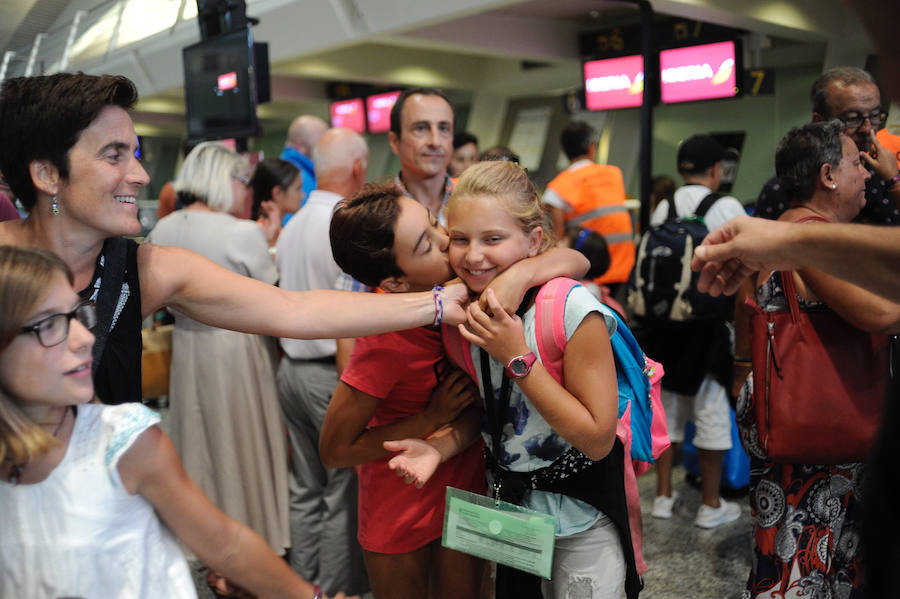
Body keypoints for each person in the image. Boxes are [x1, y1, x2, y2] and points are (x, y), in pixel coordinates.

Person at [0, 72, 469, 410]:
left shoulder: (145, 268)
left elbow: (295, 310)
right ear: (45, 173)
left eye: (136, 154)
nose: (140, 175)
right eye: (114, 156)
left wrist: (438, 303)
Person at [0, 245, 350, 599]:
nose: (84, 338)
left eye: (78, 316)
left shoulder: (119, 441)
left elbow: (226, 543)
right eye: (50, 325)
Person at [322, 181, 589, 598]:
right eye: (426, 246)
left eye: (435, 223)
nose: (447, 243)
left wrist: (521, 272)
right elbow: (334, 449)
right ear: (393, 283)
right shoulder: (386, 340)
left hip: (470, 486)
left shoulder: (471, 290)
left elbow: (575, 259)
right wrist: (428, 419)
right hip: (401, 502)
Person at [390, 161, 634, 598]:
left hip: (584, 513)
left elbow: (597, 440)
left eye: (493, 239)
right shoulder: (462, 320)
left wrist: (516, 356)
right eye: (460, 239)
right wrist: (438, 446)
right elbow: (491, 411)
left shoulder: (569, 309)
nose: (474, 255)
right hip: (512, 509)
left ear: (533, 240)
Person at [737, 121, 900, 598]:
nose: (866, 173)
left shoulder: (785, 229)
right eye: (856, 164)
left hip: (803, 413)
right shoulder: (807, 236)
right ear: (828, 175)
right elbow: (876, 314)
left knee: (806, 555)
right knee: (803, 561)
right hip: (818, 422)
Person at [145, 141, 290, 581]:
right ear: (224, 180)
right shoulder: (240, 232)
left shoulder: (165, 228)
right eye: (243, 180)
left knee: (197, 444)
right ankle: (251, 536)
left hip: (188, 348)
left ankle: (200, 536)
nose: (247, 189)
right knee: (243, 442)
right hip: (237, 350)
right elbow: (273, 297)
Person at [275, 127, 371, 596]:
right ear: (358, 168)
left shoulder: (293, 222)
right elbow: (347, 314)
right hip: (328, 374)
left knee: (305, 489)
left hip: (289, 371)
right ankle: (333, 590)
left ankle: (302, 583)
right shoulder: (341, 222)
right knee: (340, 493)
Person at [645, 134, 746, 529]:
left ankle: (664, 497)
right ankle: (710, 504)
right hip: (707, 325)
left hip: (663, 326)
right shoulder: (726, 207)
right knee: (711, 411)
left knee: (666, 410)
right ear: (716, 170)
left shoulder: (663, 207)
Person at [755, 67, 900, 224]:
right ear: (819, 121)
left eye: (874, 116)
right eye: (852, 118)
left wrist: (895, 182)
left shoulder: (890, 177)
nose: (867, 129)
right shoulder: (781, 190)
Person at [542, 121, 634, 292]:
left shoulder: (557, 189)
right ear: (591, 147)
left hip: (587, 272)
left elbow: (556, 238)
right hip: (624, 266)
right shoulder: (614, 174)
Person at [389, 87, 455, 224]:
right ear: (395, 142)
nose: (435, 142)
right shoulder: (379, 212)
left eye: (443, 128)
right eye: (421, 128)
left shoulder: (475, 200)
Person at [250, 157, 304, 247]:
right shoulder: (261, 234)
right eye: (297, 189)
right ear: (277, 193)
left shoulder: (272, 230)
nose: (302, 195)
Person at [281, 114, 327, 215]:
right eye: (321, 144)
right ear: (300, 145)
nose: (326, 150)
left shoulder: (284, 167)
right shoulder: (297, 176)